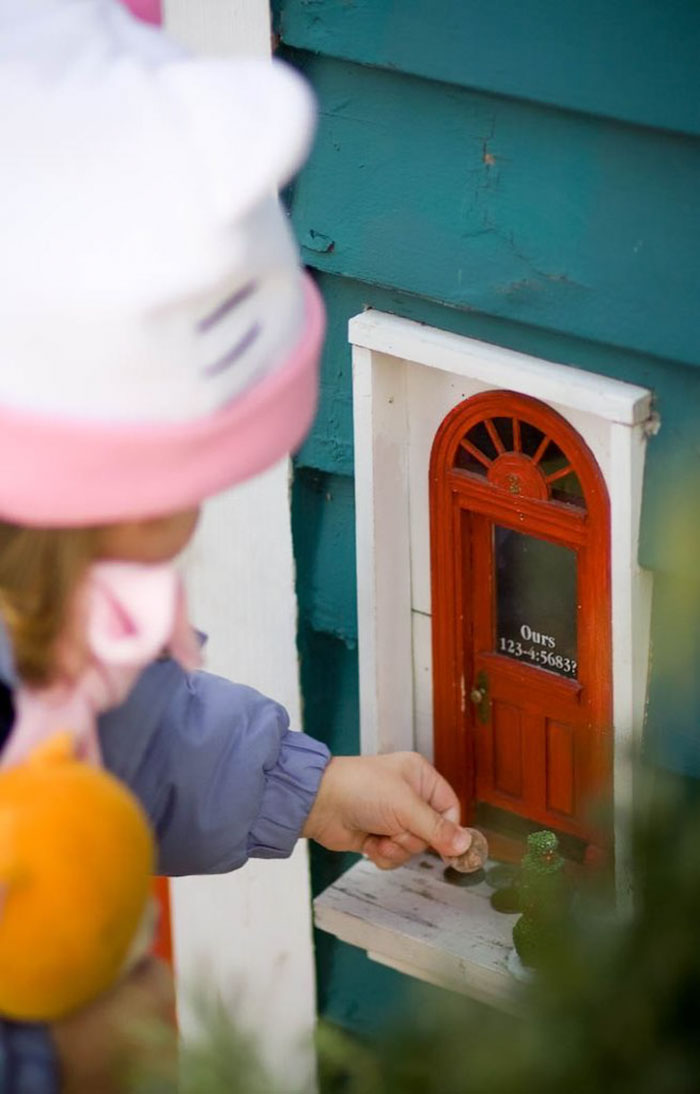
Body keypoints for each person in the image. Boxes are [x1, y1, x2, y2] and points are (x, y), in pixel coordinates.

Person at [0, 2, 476, 1090]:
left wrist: (309, 787)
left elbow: (126, 735)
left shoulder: (43, 608)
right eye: (165, 486)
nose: (192, 517)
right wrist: (57, 1047)